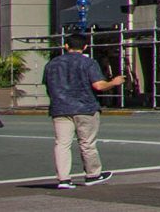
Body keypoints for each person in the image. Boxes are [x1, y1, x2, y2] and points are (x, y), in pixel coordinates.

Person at [40, 33, 121, 190]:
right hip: (86, 108)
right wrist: (114, 82)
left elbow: (48, 86)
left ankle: (64, 179)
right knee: (87, 143)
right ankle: (92, 174)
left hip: (60, 108)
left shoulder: (52, 64)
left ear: (66, 46)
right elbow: (98, 85)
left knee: (62, 144)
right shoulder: (88, 63)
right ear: (85, 47)